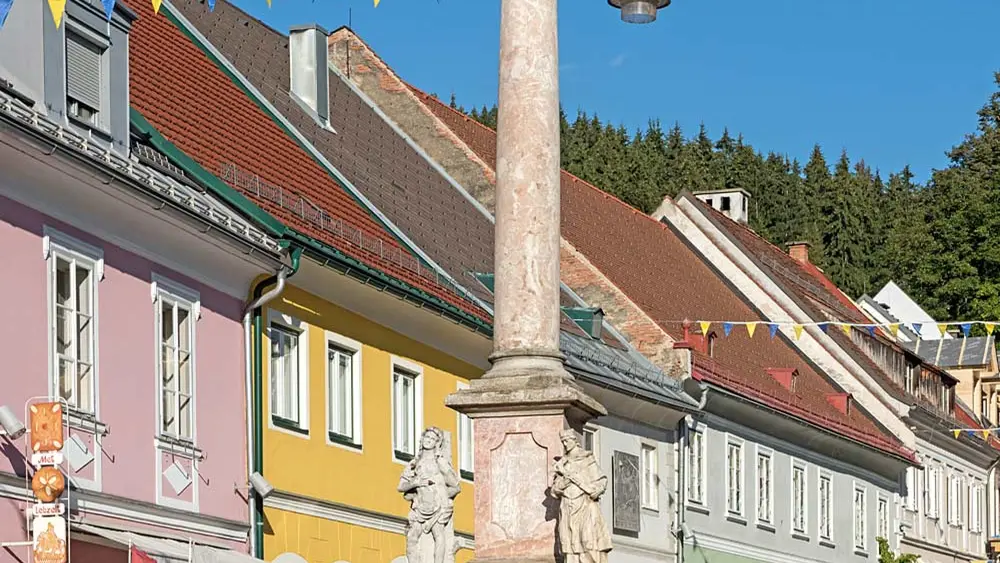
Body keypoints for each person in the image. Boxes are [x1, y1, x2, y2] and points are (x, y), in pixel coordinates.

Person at [397, 427, 462, 563]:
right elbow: (401, 487)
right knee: (412, 536)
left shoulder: (440, 462)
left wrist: (441, 496)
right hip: (420, 507)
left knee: (438, 534)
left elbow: (455, 486)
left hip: (438, 506)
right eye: (427, 437)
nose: (428, 440)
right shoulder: (414, 463)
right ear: (422, 439)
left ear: (437, 443)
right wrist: (415, 483)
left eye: (432, 439)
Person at [551, 429, 613, 563]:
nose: (565, 444)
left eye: (567, 441)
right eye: (563, 442)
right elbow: (554, 490)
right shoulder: (562, 463)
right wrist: (564, 482)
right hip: (567, 506)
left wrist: (597, 490)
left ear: (574, 440)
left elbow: (601, 480)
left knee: (587, 540)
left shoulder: (586, 459)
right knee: (569, 544)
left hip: (584, 504)